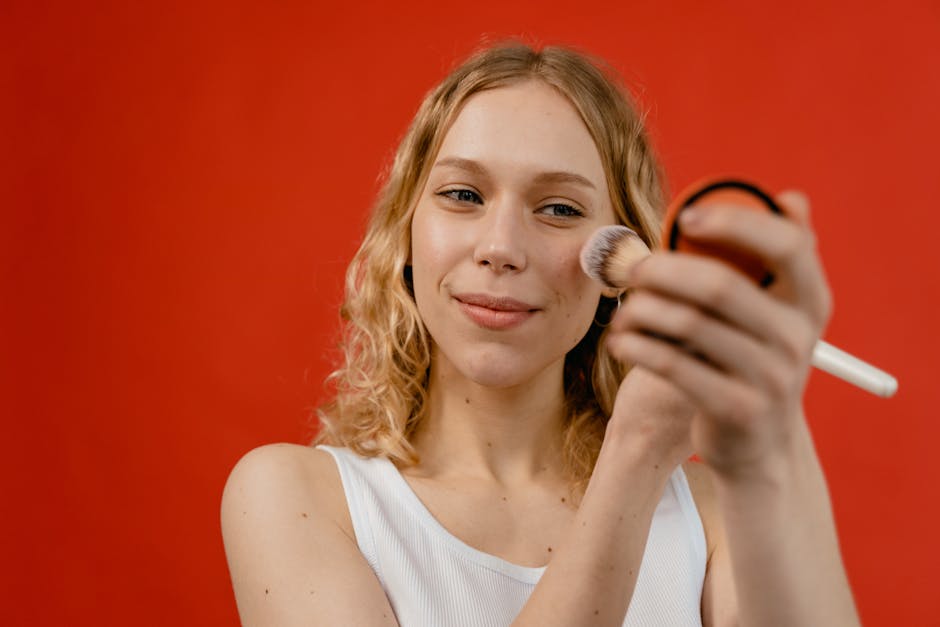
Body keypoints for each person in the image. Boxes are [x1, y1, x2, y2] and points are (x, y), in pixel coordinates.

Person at [220, 42, 861, 626]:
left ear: (622, 258)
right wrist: (635, 453)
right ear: (407, 234)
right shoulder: (297, 497)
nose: (500, 248)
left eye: (559, 209)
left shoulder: (715, 513)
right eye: (464, 195)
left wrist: (768, 433)